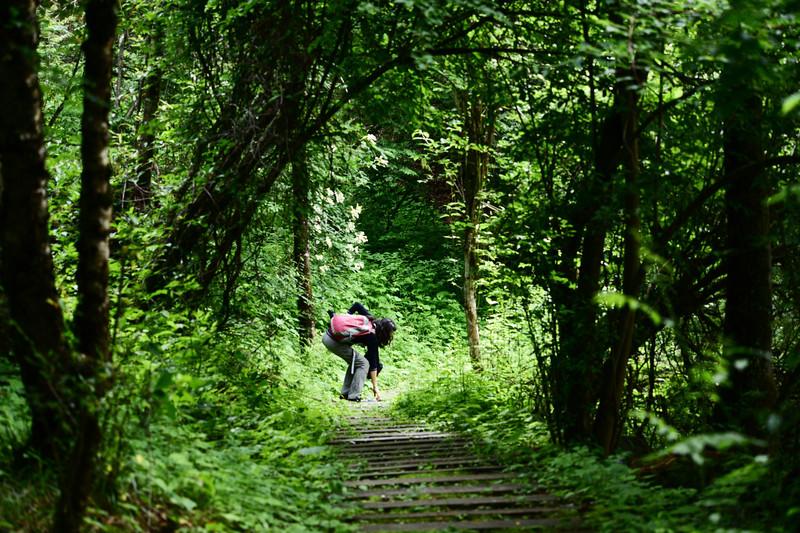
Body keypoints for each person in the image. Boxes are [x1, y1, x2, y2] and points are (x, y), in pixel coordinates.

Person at [323, 302, 396, 402]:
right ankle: (353, 396)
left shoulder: (371, 320)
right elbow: (373, 364)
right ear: (384, 332)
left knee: (357, 361)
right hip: (333, 341)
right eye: (390, 333)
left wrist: (347, 316)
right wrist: (375, 387)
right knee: (363, 363)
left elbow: (357, 305)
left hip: (329, 336)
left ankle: (345, 393)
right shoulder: (372, 337)